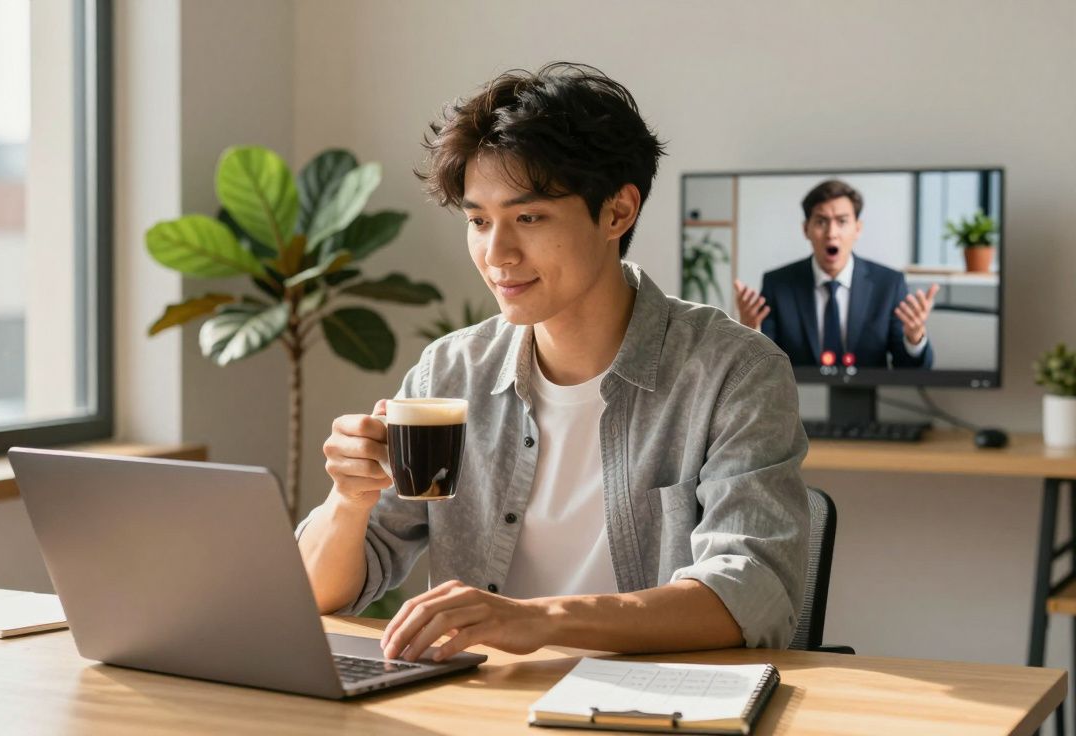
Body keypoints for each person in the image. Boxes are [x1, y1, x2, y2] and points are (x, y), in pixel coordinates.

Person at [295, 62, 808, 663]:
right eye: (478, 221)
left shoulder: (733, 372)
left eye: (529, 217)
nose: (497, 253)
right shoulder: (452, 370)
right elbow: (314, 595)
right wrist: (349, 501)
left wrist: (540, 620)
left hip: (651, 701)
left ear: (617, 212)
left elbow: (751, 594)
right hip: (475, 701)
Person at [733, 180, 938, 369]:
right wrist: (751, 332)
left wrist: (914, 338)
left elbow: (911, 370)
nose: (831, 233)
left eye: (842, 221)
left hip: (867, 396)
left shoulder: (888, 285)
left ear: (857, 229)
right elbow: (762, 370)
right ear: (806, 229)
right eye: (821, 222)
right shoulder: (777, 284)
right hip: (798, 397)